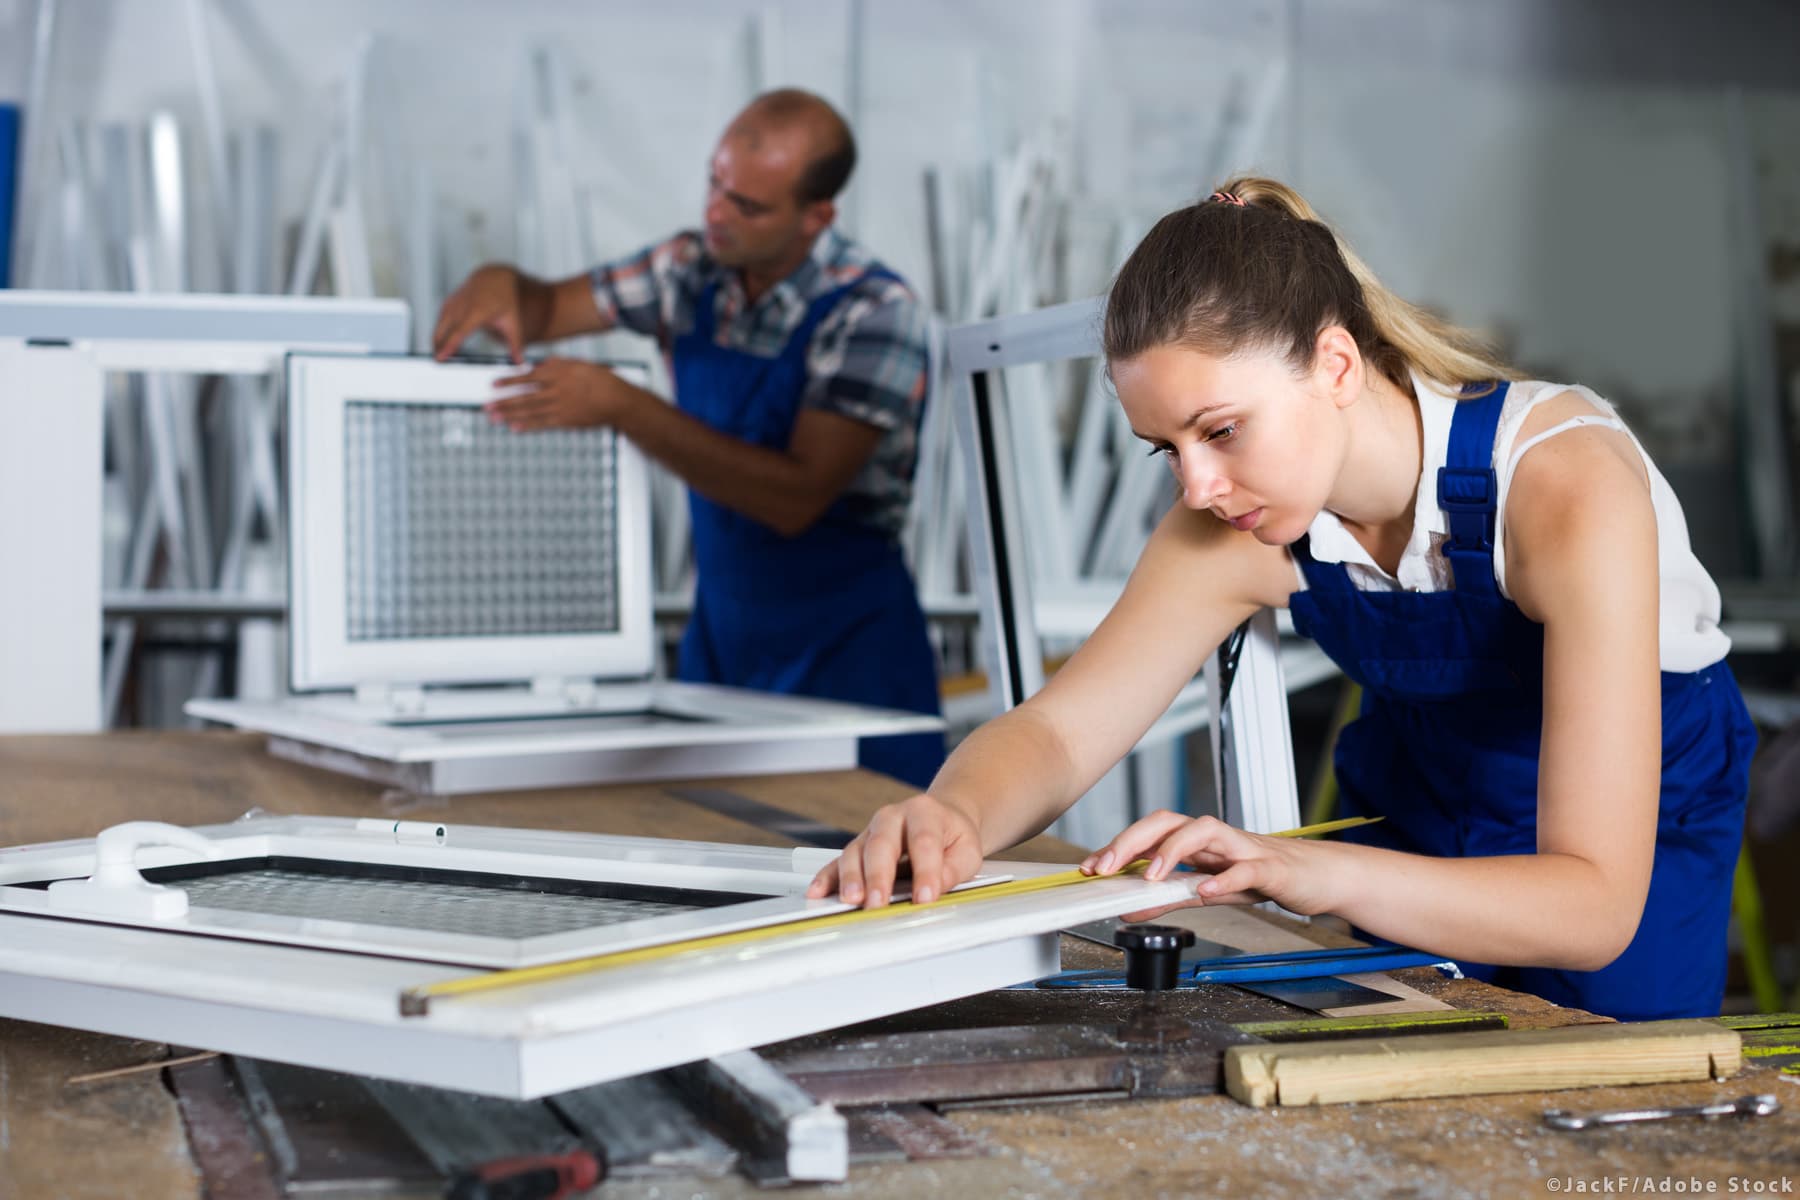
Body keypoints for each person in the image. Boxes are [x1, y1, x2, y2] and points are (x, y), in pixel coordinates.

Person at [808, 177, 1756, 1021]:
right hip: (1422, 806)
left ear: (1336, 365)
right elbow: (1059, 734)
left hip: (1629, 840)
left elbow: (1590, 905)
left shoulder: (1565, 486)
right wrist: (953, 813)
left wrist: (1298, 865)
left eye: (1220, 429)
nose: (1196, 487)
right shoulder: (1244, 521)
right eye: (1165, 447)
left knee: (1609, 1099)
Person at [431, 88, 945, 789]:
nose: (715, 215)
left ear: (815, 217)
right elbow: (547, 305)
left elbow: (795, 495)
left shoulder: (874, 312)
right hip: (725, 639)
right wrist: (502, 283)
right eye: (715, 184)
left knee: (873, 862)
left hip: (848, 650)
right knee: (719, 847)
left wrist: (624, 407)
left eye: (748, 206)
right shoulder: (689, 271)